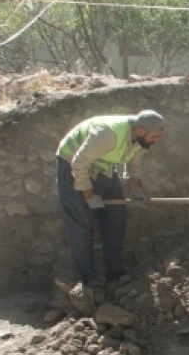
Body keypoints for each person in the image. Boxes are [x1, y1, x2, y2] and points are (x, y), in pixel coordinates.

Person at [55, 111, 165, 288]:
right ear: (141, 131)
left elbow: (134, 165)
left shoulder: (139, 140)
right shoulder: (108, 134)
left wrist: (136, 190)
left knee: (116, 218)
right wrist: (89, 196)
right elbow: (79, 164)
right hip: (72, 164)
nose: (156, 140)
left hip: (101, 165)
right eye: (155, 136)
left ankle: (114, 271)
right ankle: (88, 278)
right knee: (82, 224)